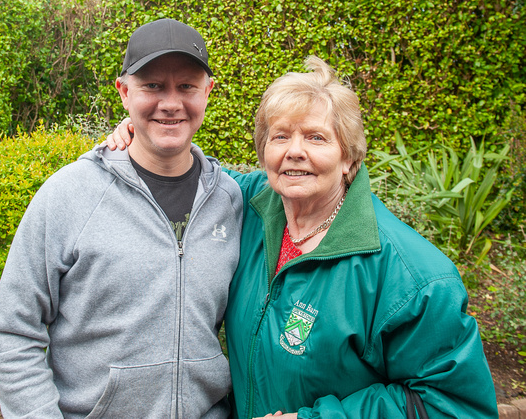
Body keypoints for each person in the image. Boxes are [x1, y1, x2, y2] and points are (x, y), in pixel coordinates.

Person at [107, 56, 498, 417]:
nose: (295, 151)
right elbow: (193, 171)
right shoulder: (246, 205)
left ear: (349, 158)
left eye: (316, 137)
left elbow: (454, 404)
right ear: (264, 152)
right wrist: (144, 131)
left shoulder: (414, 278)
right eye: (280, 137)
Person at [0, 18, 243, 418]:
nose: (171, 103)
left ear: (208, 92)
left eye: (186, 86)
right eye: (152, 86)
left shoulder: (230, 198)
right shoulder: (70, 194)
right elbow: (13, 332)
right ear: (124, 92)